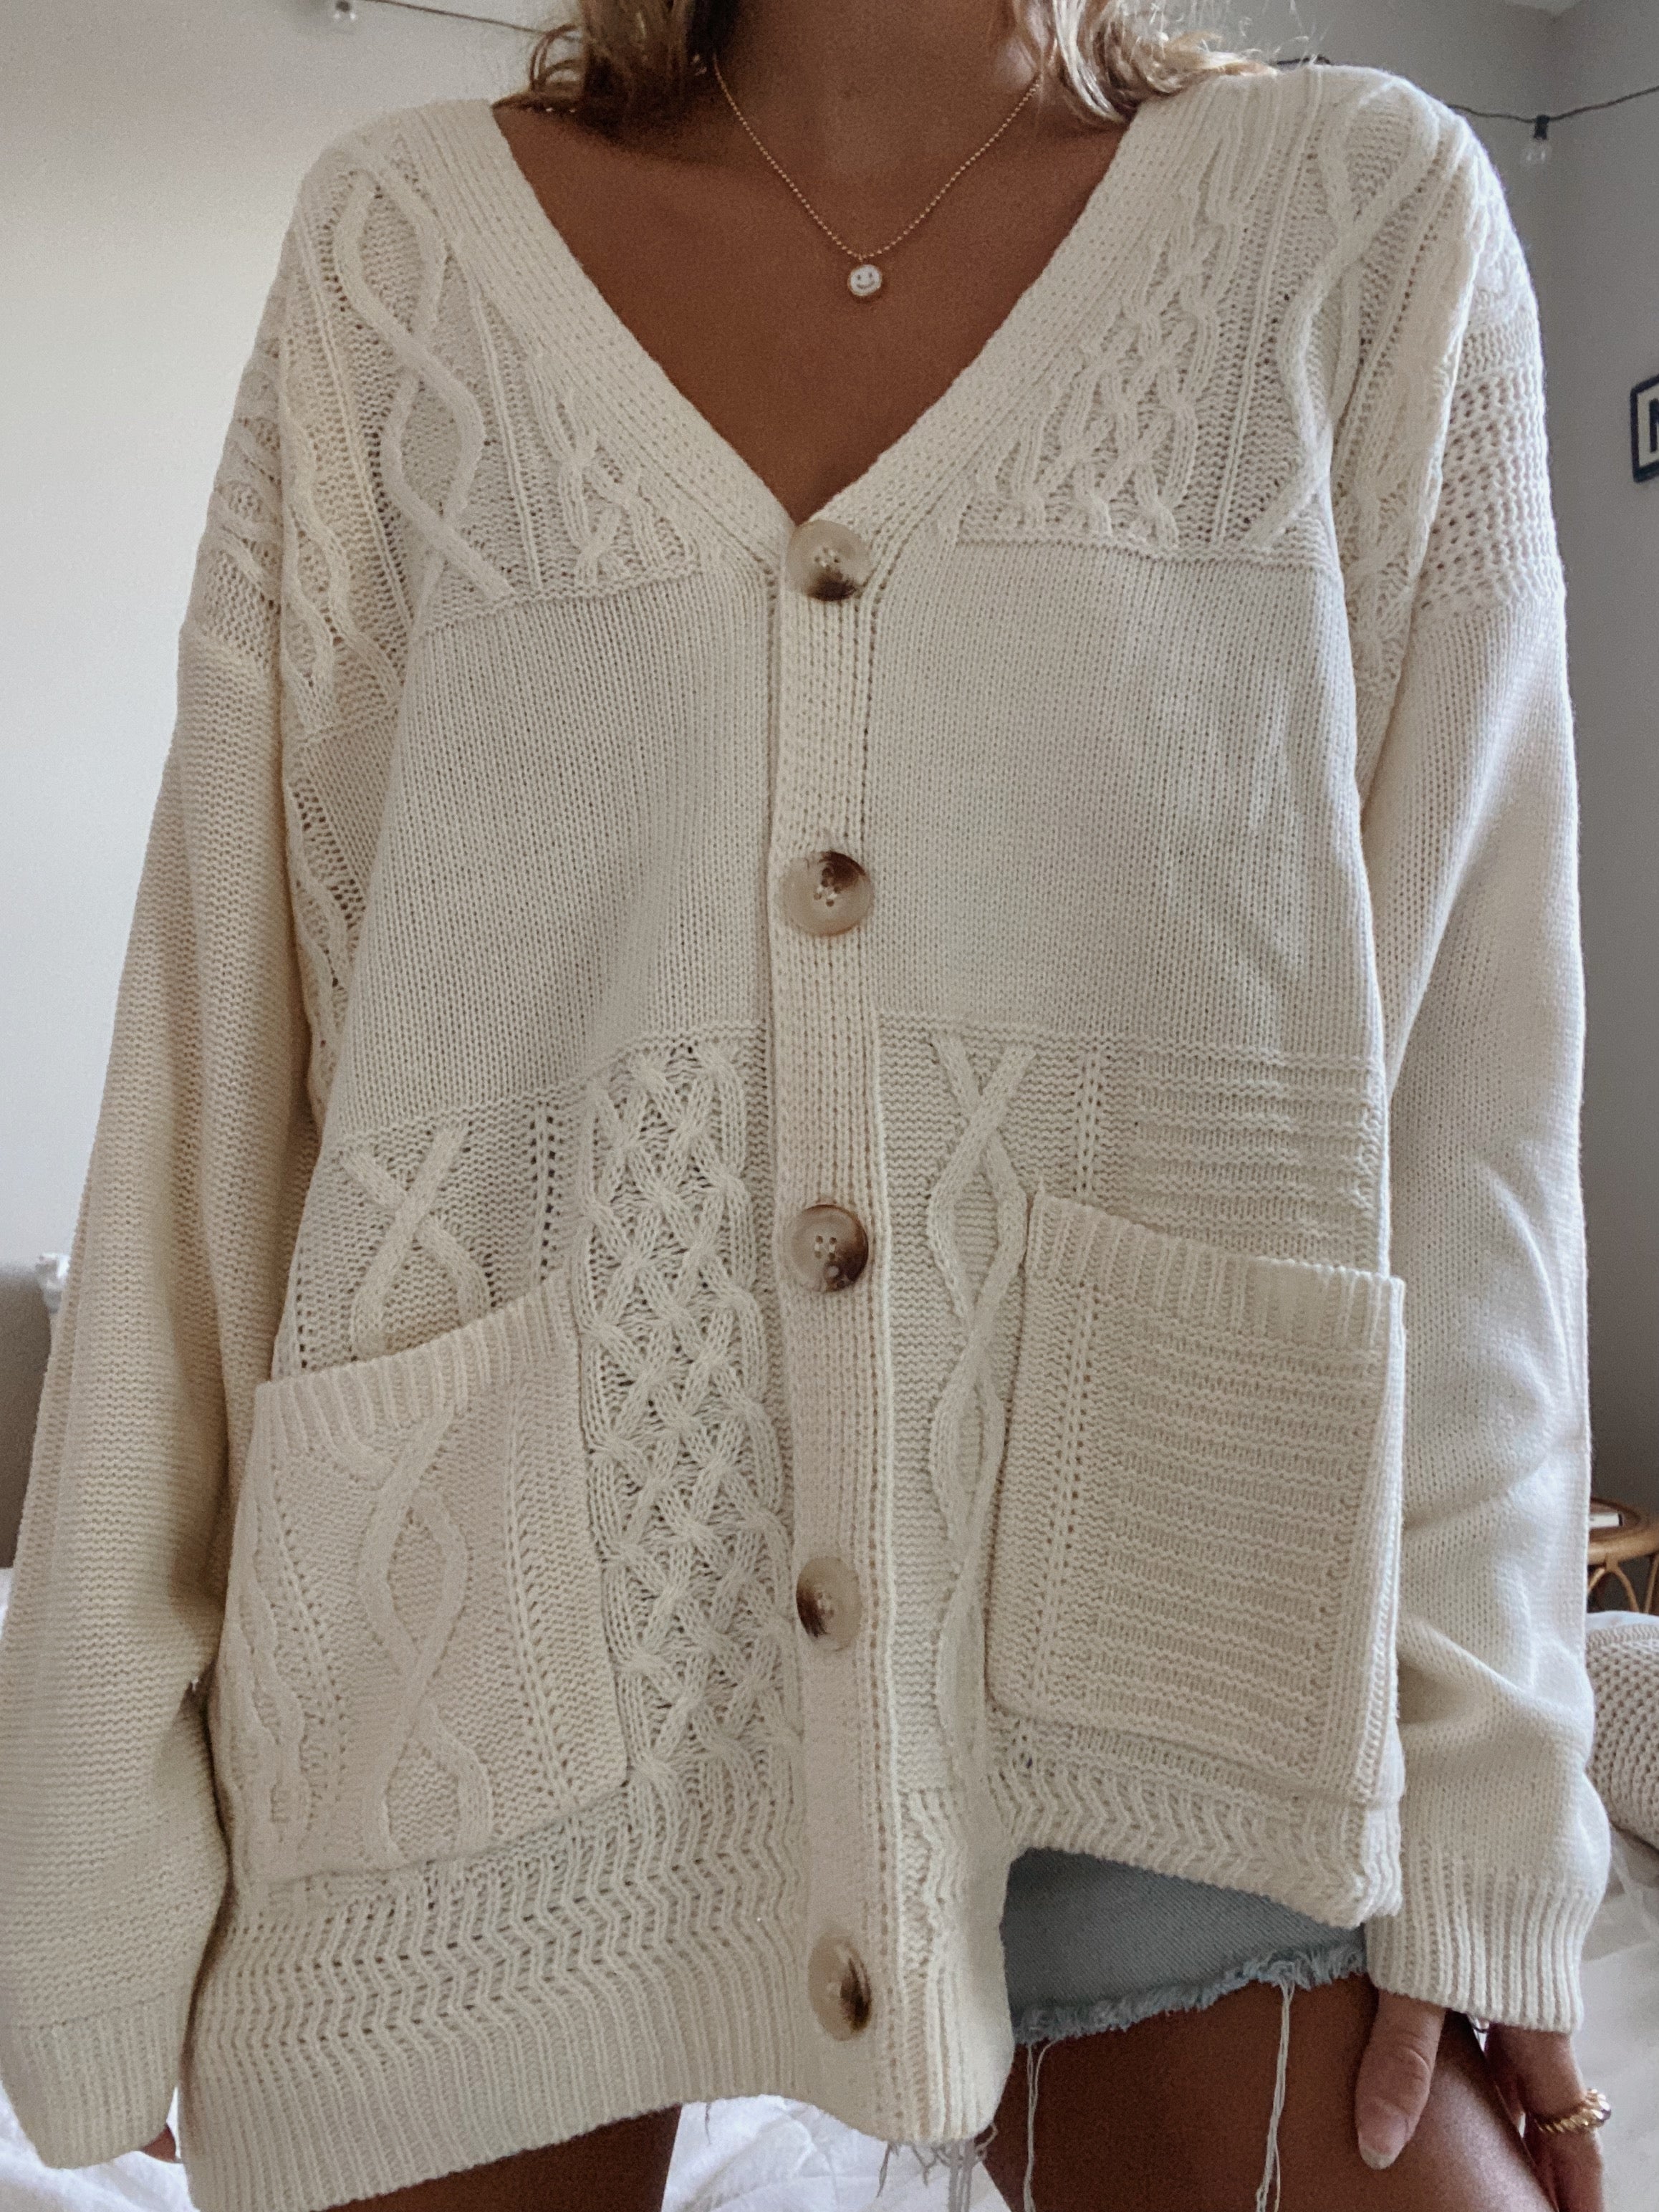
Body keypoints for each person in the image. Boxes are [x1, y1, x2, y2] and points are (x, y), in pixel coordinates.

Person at [0, 4, 1614, 2209]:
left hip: (1180, 1613)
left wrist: (1491, 1813)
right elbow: (217, 1053)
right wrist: (101, 1854)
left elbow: (1475, 1103)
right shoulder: (403, 257)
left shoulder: (1355, 223)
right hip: (491, 1672)